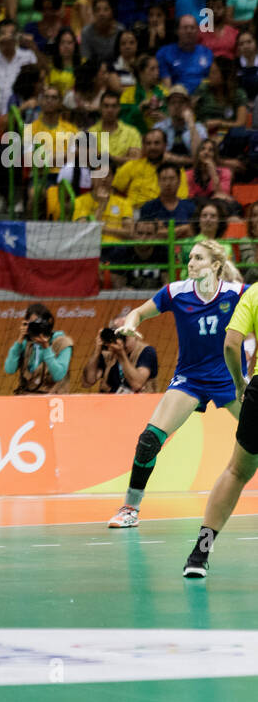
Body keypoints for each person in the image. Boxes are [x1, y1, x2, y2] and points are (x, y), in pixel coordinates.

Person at [109, 240, 245, 529]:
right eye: (189, 258)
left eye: (198, 258)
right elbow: (139, 312)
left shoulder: (237, 293)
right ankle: (130, 509)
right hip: (190, 380)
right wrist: (132, 323)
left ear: (216, 265)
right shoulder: (175, 292)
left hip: (230, 380)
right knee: (148, 441)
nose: (190, 263)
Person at [183, 280, 258, 576]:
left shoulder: (253, 293)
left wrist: (240, 383)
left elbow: (230, 344)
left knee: (237, 472)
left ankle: (198, 557)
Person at [5, 303, 73, 395]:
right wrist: (19, 341)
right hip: (27, 397)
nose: (36, 328)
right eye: (32, 324)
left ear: (47, 324)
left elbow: (58, 375)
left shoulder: (63, 342)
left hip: (53, 397)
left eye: (39, 324)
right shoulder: (26, 342)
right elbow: (9, 369)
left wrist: (46, 347)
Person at [82, 320, 159, 394]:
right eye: (117, 332)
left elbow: (137, 384)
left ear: (135, 333)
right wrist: (97, 350)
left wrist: (121, 354)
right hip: (112, 403)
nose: (120, 337)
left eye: (123, 332)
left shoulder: (146, 351)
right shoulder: (108, 353)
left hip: (139, 403)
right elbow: (89, 381)